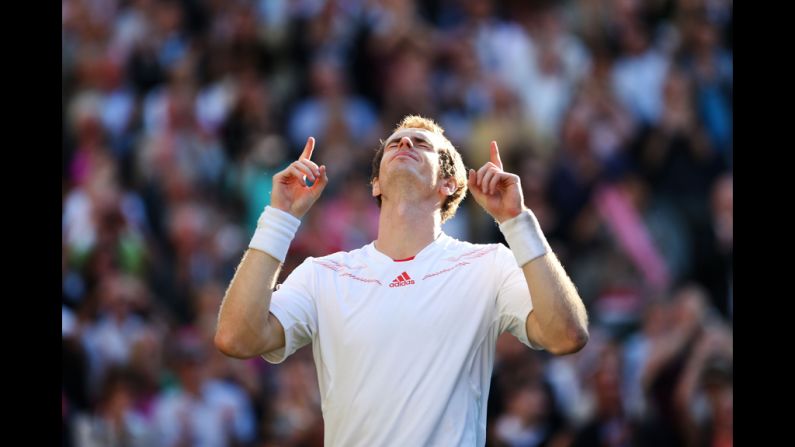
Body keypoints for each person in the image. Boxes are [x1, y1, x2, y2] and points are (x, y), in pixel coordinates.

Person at [215, 115, 589, 445]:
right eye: (395, 142)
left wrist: (517, 222)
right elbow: (236, 337)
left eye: (421, 143)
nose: (405, 142)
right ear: (376, 184)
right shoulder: (321, 274)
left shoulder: (488, 264)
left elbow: (566, 335)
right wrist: (280, 218)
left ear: (447, 184)